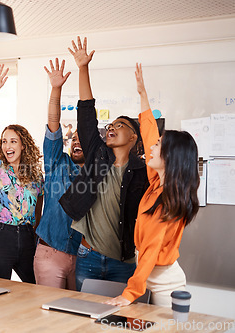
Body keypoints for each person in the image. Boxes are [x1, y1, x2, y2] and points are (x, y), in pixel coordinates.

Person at [106, 64, 199, 307]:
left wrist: (129, 294)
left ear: (170, 157)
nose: (151, 147)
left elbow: (150, 252)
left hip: (166, 286)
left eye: (158, 145)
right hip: (150, 277)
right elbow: (148, 134)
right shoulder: (157, 182)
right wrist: (142, 95)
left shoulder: (168, 201)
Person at [59, 37, 148, 291]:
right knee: (85, 325)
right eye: (110, 125)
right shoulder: (98, 154)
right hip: (88, 257)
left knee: (118, 324)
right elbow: (87, 113)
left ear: (134, 137)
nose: (112, 127)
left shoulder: (143, 172)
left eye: (120, 125)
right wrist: (83, 68)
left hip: (124, 262)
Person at [0, 65, 44, 284]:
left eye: (13, 141)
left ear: (23, 146)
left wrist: (34, 236)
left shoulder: (35, 176)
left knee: (34, 291)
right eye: (4, 141)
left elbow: (37, 213)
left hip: (27, 238)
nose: (7, 145)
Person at [34, 58, 84, 290]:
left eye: (83, 140)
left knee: (79, 321)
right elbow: (53, 123)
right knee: (51, 315)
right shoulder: (57, 162)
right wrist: (56, 89)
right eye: (74, 138)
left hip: (84, 258)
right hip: (50, 253)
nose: (77, 142)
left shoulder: (99, 173)